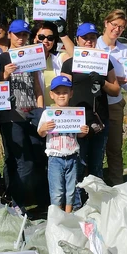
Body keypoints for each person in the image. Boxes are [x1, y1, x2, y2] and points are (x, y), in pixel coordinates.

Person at [0, 19, 48, 209]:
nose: (21, 38)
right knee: (21, 162)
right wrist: (5, 76)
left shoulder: (32, 55)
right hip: (11, 117)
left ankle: (38, 200)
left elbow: (37, 86)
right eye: (17, 34)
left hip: (33, 114)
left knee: (37, 157)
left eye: (25, 34)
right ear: (9, 34)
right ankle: (18, 203)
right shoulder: (2, 59)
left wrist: (41, 112)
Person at [60, 23, 120, 184]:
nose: (88, 41)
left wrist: (102, 82)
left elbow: (115, 90)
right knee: (77, 165)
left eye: (92, 37)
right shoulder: (69, 63)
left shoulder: (104, 61)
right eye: (84, 38)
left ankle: (97, 202)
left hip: (99, 120)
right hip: (76, 121)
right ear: (77, 40)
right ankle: (77, 203)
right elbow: (62, 92)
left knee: (96, 165)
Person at [38, 76, 89, 213]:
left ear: (71, 94)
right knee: (57, 191)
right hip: (55, 158)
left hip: (72, 156)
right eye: (58, 93)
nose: (61, 95)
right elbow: (41, 133)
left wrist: (84, 131)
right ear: (52, 95)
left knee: (71, 190)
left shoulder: (75, 113)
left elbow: (79, 134)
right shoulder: (47, 114)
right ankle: (57, 217)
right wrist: (44, 128)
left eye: (65, 92)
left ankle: (68, 216)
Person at [97, 9, 127, 185]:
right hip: (95, 104)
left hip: (114, 104)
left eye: (121, 27)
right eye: (114, 25)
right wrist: (115, 79)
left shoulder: (124, 50)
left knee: (114, 148)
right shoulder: (93, 46)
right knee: (94, 149)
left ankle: (117, 185)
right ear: (106, 23)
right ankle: (93, 185)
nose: (117, 30)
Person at [32, 20, 68, 102]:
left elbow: (76, 58)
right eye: (41, 37)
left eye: (50, 38)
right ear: (34, 38)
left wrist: (63, 34)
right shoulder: (26, 60)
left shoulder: (58, 57)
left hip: (57, 111)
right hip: (34, 111)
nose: (45, 41)